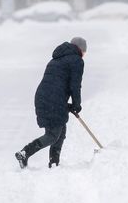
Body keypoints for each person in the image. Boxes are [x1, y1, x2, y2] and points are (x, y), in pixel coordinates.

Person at [15, 37, 87, 169]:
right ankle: (25, 152)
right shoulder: (76, 60)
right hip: (54, 99)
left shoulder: (57, 58)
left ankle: (54, 163)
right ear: (80, 49)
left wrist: (68, 104)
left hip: (44, 96)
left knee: (60, 130)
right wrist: (77, 104)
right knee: (53, 135)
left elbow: (58, 83)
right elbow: (75, 85)